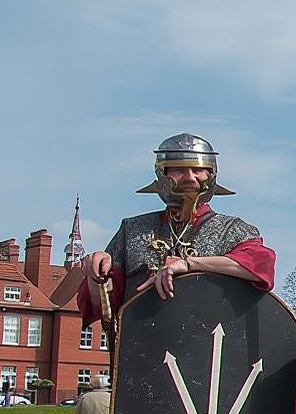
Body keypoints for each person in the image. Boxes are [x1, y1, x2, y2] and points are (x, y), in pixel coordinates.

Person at [78, 133, 276, 323]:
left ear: (211, 175)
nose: (190, 177)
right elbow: (103, 310)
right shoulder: (132, 231)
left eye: (198, 170)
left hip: (211, 347)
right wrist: (96, 276)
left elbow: (261, 267)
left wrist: (189, 264)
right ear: (162, 175)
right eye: (179, 170)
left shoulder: (233, 230)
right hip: (145, 346)